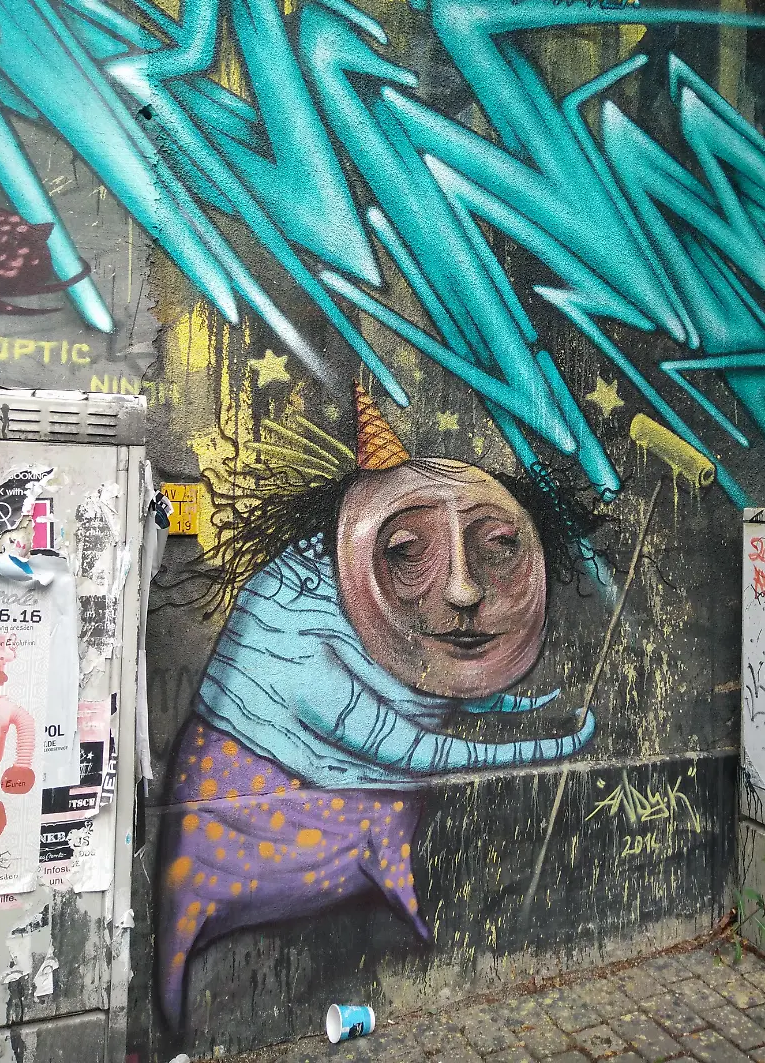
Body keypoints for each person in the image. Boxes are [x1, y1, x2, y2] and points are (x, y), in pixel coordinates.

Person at [158, 384, 600, 1028]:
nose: (463, 589)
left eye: (499, 543)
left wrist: (504, 709)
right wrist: (548, 746)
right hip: (256, 836)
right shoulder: (297, 611)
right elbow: (408, 746)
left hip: (370, 845)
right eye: (407, 551)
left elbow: (414, 716)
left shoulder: (383, 631)